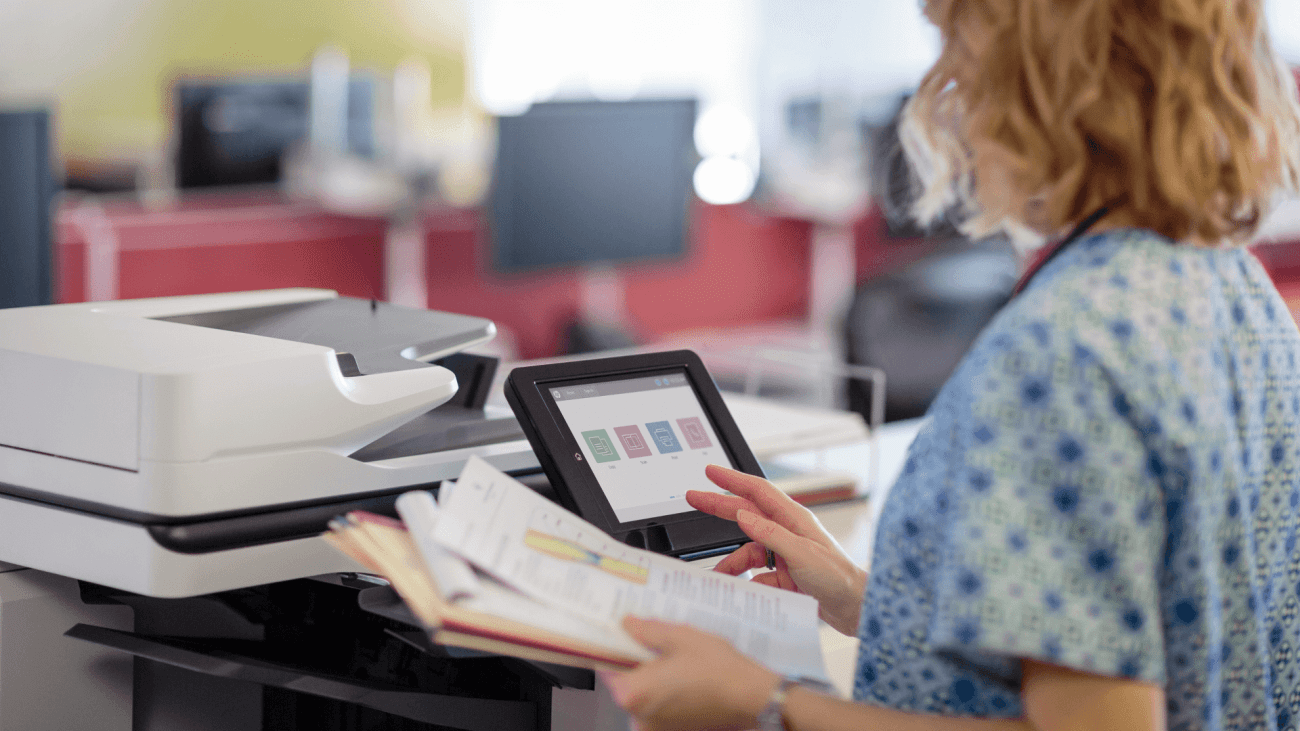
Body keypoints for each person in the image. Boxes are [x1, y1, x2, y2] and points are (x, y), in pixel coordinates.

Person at [602, 0, 1300, 729]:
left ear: (1035, 72)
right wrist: (857, 595)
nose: (944, 84)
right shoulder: (1232, 287)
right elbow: (1133, 635)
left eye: (953, 41)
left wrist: (766, 699)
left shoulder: (1062, 352)